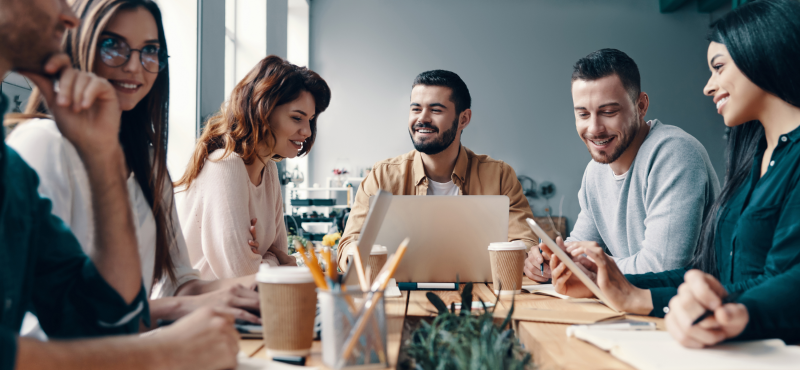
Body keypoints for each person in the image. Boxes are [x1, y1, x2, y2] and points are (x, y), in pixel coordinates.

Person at [546, 0, 800, 346]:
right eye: (583, 113)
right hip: (734, 345)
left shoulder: (677, 152)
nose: (708, 87)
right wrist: (606, 281)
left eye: (718, 67)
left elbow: (781, 282)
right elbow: (712, 275)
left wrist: (639, 297)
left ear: (762, 55)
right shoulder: (751, 156)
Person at [0, 0, 237, 369]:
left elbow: (104, 316)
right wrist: (162, 352)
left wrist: (103, 155)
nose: (68, 16)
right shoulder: (39, 143)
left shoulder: (12, 169)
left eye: (151, 51)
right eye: (112, 44)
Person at [524, 49, 720, 279]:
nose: (595, 128)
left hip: (687, 308)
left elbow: (662, 268)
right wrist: (550, 260)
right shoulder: (595, 172)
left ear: (641, 106)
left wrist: (585, 266)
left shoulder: (674, 154)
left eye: (608, 112)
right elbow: (578, 248)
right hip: (632, 305)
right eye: (583, 114)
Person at [338, 69, 544, 281]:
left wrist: (530, 258)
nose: (422, 119)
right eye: (415, 109)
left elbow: (523, 241)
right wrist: (356, 254)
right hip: (400, 297)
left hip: (480, 297)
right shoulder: (382, 176)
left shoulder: (500, 175)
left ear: (463, 119)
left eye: (435, 110)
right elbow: (349, 243)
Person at [175, 55, 331, 279]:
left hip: (248, 307)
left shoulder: (268, 171)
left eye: (310, 120)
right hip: (204, 308)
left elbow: (278, 253)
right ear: (263, 112)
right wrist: (273, 261)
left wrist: (266, 259)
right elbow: (244, 275)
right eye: (297, 118)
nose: (307, 131)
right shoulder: (225, 166)